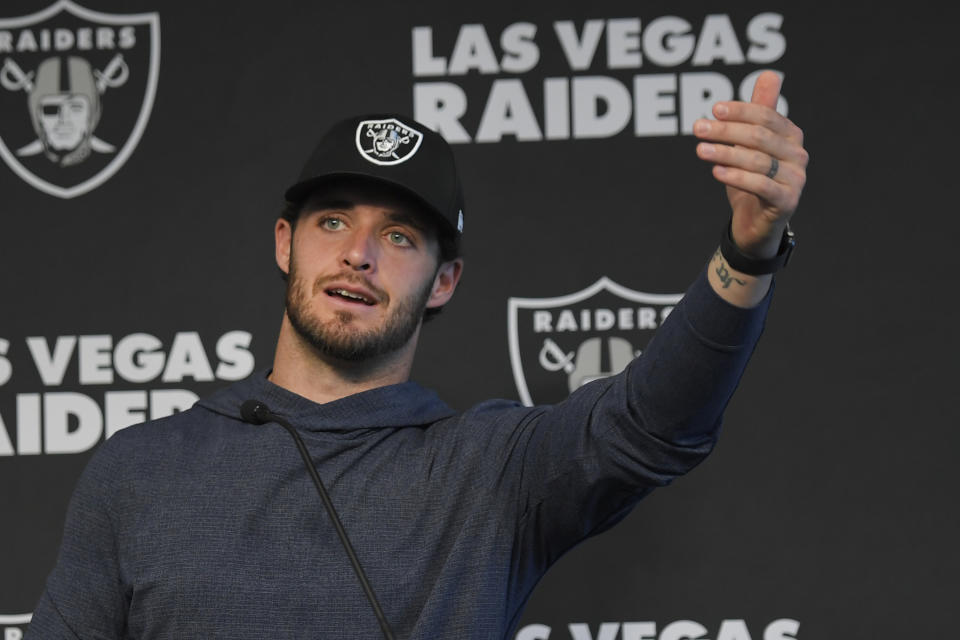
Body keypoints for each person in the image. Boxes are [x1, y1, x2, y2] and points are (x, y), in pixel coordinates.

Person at [25, 71, 807, 639]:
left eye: (400, 236)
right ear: (284, 243)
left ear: (444, 280)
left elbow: (654, 424)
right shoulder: (140, 472)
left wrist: (750, 249)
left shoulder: (492, 472)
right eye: (333, 221)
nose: (360, 254)